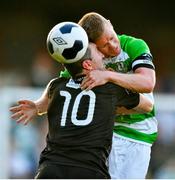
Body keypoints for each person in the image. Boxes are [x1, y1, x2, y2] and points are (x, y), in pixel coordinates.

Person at [10, 43, 153, 179]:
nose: (103, 55)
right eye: (97, 51)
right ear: (88, 64)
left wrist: (37, 107)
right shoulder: (110, 89)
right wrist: (112, 81)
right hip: (88, 170)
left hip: (50, 169)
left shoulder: (56, 86)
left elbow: (46, 100)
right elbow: (147, 106)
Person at [76, 12, 157, 179]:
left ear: (110, 24)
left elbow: (148, 82)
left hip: (137, 132)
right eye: (105, 45)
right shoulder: (91, 57)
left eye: (112, 37)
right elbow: (65, 82)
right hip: (105, 132)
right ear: (93, 46)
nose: (113, 46)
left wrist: (108, 76)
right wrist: (38, 106)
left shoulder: (133, 45)